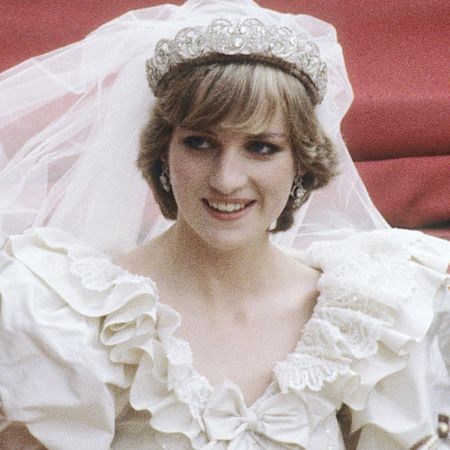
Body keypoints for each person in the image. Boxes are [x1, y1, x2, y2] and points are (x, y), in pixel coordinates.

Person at [0, 0, 448, 449]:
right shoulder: (67, 317)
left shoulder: (371, 314)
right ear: (163, 152)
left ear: (302, 160)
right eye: (199, 143)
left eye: (261, 147)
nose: (226, 179)